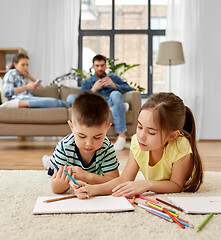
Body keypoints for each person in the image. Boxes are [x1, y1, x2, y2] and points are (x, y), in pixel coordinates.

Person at [71, 92, 203, 199]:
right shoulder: (137, 143)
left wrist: (147, 184)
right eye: (139, 126)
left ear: (172, 135)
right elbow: (124, 179)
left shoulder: (181, 146)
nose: (141, 136)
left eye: (151, 132)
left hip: (176, 182)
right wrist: (94, 190)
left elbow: (176, 185)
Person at [47, 91, 120, 194]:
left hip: (90, 175)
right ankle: (49, 162)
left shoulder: (106, 147)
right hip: (63, 161)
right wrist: (62, 184)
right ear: (71, 127)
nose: (89, 144)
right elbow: (56, 189)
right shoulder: (64, 146)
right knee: (52, 169)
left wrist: (87, 176)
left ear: (107, 129)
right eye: (82, 136)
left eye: (97, 137)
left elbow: (115, 182)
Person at [66, 54, 133, 151]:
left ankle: (122, 135)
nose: (100, 68)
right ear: (93, 66)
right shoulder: (88, 81)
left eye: (102, 65)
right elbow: (82, 99)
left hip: (110, 101)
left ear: (106, 66)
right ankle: (117, 108)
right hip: (95, 105)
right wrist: (93, 89)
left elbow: (129, 89)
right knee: (70, 98)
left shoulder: (113, 78)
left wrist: (113, 85)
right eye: (97, 66)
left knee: (115, 94)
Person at [0, 53, 66, 108]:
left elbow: (42, 88)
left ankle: (24, 103)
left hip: (29, 98)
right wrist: (26, 87)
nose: (26, 67)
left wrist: (30, 77)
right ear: (15, 64)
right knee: (56, 103)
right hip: (20, 98)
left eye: (27, 65)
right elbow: (6, 91)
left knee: (60, 103)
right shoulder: (12, 73)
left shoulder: (23, 77)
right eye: (23, 65)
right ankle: (18, 103)